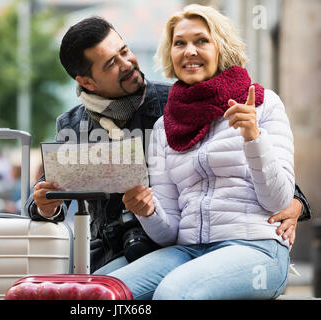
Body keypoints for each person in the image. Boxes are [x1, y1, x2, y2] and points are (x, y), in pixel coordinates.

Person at [25, 15, 311, 274]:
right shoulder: (73, 126)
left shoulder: (173, 104)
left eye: (124, 51)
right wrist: (46, 207)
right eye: (111, 63)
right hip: (109, 252)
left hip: (166, 247)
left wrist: (296, 201)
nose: (127, 65)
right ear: (86, 82)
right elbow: (48, 191)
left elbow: (235, 154)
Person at [106, 4, 303, 300]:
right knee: (99, 290)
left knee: (173, 293)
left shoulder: (263, 104)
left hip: (255, 247)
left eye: (201, 41)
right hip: (187, 250)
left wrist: (254, 138)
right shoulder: (165, 126)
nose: (189, 51)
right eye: (179, 43)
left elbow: (277, 200)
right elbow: (168, 232)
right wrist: (147, 211)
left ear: (221, 47)